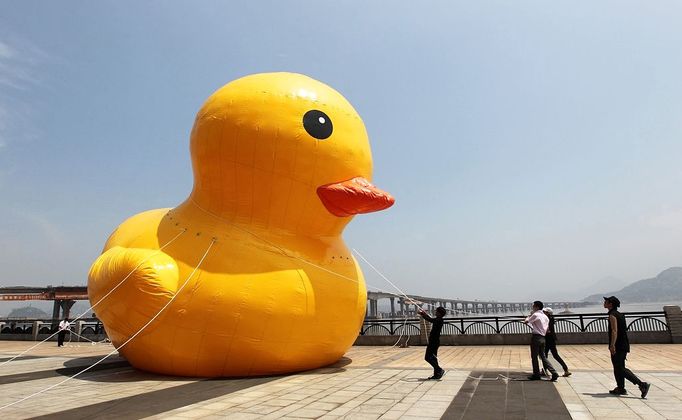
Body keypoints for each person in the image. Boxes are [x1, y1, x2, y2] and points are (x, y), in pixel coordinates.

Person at [604, 296, 651, 398]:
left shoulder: (612, 315)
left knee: (620, 368)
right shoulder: (620, 315)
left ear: (610, 304)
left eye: (606, 302)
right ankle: (620, 388)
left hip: (618, 345)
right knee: (618, 367)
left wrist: (612, 345)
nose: (604, 303)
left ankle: (642, 384)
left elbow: (614, 331)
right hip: (623, 344)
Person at [523, 301, 558, 381]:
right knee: (543, 357)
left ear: (537, 307)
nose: (532, 307)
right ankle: (554, 372)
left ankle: (536, 374)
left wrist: (528, 316)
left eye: (533, 306)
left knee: (534, 357)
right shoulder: (545, 317)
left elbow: (526, 321)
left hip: (536, 338)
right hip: (543, 338)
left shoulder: (535, 315)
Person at [418, 306, 446, 380]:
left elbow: (430, 320)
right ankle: (436, 374)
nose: (435, 312)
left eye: (436, 311)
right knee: (434, 358)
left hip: (434, 342)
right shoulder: (439, 319)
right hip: (434, 341)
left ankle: (439, 370)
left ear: (439, 313)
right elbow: (431, 319)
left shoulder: (439, 320)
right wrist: (424, 314)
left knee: (427, 357)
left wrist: (423, 314)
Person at [542, 307, 571, 377]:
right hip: (552, 339)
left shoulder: (547, 319)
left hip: (548, 339)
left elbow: (547, 330)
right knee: (554, 355)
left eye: (544, 312)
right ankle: (566, 369)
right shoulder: (551, 319)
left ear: (548, 313)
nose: (543, 313)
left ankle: (545, 370)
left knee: (544, 355)